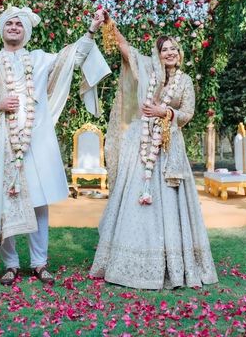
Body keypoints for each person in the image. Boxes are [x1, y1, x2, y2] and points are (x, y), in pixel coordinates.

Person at [0, 6, 110, 286]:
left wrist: (91, 29)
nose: (15, 27)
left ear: (26, 31)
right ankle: (10, 264)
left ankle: (40, 263)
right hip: (4, 146)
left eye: (19, 24)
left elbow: (73, 58)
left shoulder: (40, 60)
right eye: (10, 23)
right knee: (6, 202)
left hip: (35, 143)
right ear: (2, 29)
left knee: (39, 204)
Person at [90, 18, 218, 289]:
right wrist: (111, 25)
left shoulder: (185, 83)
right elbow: (127, 51)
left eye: (174, 49)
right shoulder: (149, 71)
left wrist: (166, 112)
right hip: (141, 144)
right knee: (135, 198)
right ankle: (129, 260)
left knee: (169, 202)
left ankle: (171, 263)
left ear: (179, 53)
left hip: (169, 146)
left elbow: (187, 114)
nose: (170, 53)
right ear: (158, 55)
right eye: (164, 49)